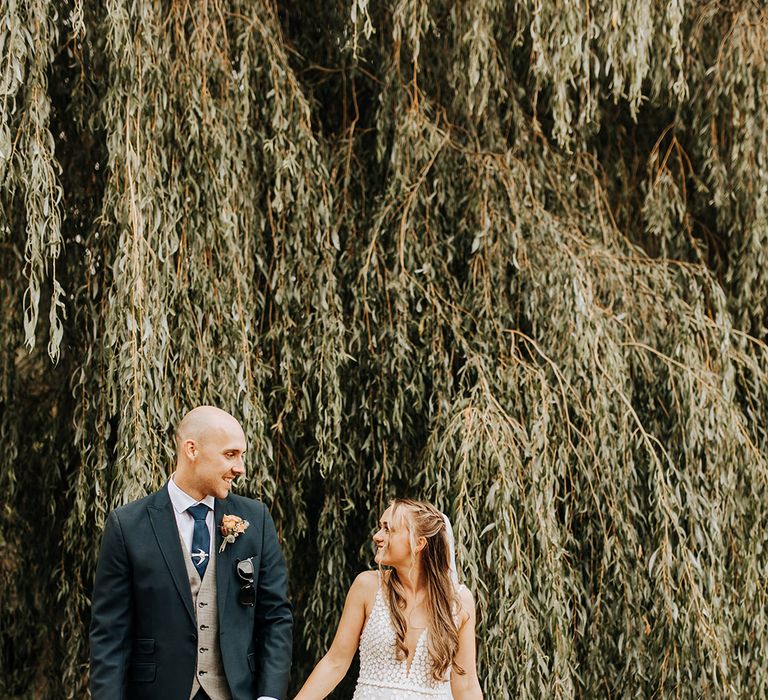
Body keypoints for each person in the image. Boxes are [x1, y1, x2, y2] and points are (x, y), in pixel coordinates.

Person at [90, 405, 293, 700]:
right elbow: (109, 635)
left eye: (241, 455)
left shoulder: (256, 519)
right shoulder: (128, 526)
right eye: (230, 454)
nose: (240, 468)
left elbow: (276, 617)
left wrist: (269, 696)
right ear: (192, 449)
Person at [294, 498, 483, 699]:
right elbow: (335, 663)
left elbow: (466, 685)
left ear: (419, 543)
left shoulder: (459, 601)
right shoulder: (367, 587)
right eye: (380, 528)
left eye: (388, 529)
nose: (377, 536)